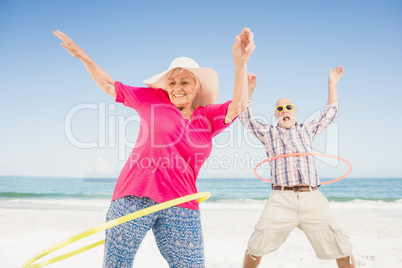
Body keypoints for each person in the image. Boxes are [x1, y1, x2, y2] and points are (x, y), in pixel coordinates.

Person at [53, 28, 255, 267]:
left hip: (182, 204)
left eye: (184, 82)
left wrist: (240, 61)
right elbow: (110, 86)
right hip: (134, 197)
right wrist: (83, 57)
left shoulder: (207, 116)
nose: (177, 87)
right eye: (172, 82)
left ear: (197, 87)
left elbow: (239, 106)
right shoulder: (152, 99)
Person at [240, 68, 355, 268]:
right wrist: (249, 91)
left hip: (312, 197)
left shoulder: (308, 130)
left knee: (342, 248)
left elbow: (330, 112)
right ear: (276, 115)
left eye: (288, 107)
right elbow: (245, 117)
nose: (284, 110)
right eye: (279, 108)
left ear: (295, 112)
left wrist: (332, 84)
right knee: (255, 247)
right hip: (281, 199)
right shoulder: (269, 134)